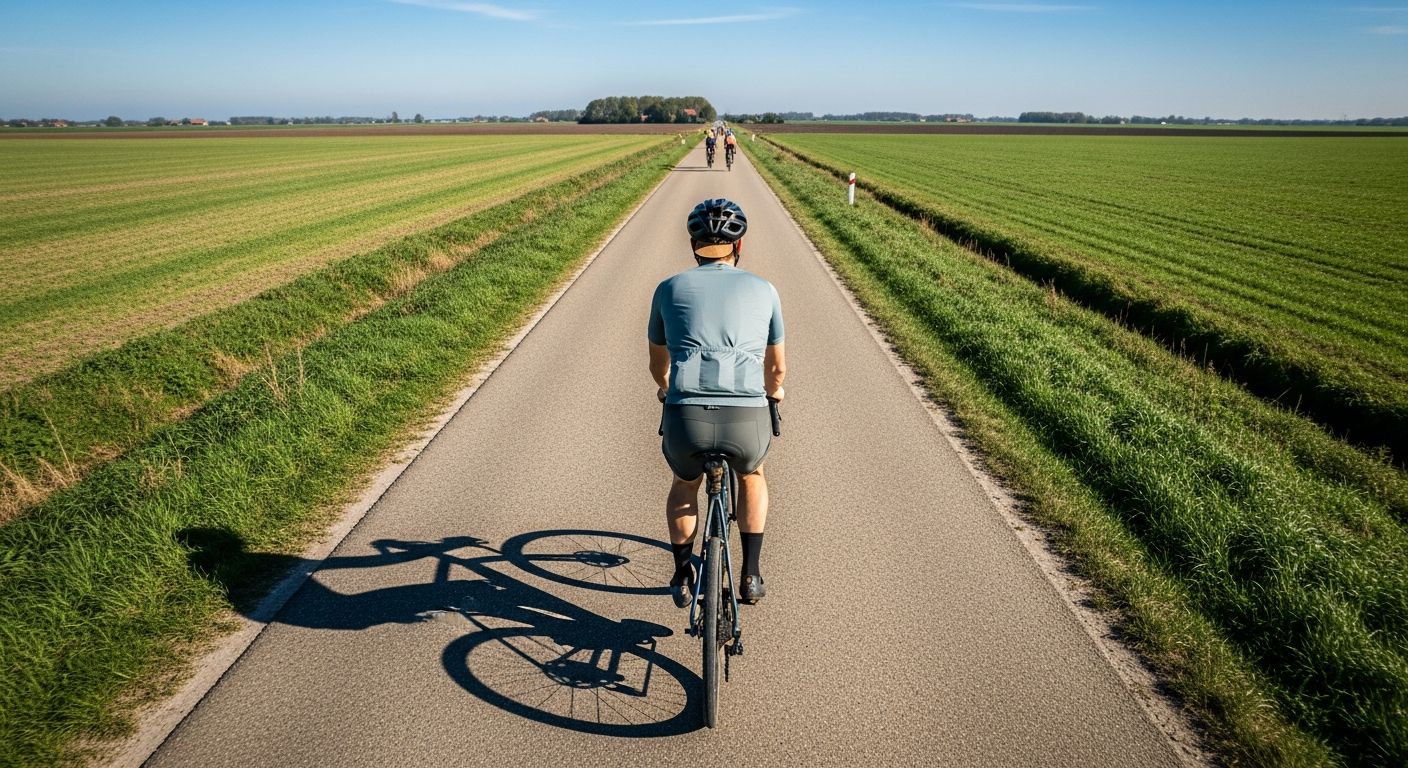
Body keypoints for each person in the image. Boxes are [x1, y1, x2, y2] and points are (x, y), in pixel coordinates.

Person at [647, 199, 787, 608]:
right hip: (745, 416)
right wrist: (773, 392)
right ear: (738, 245)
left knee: (684, 484)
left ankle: (682, 574)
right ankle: (751, 573)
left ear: (693, 244)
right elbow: (776, 369)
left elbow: (659, 363)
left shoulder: (668, 288)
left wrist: (666, 386)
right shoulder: (764, 289)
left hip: (685, 414)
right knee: (752, 476)